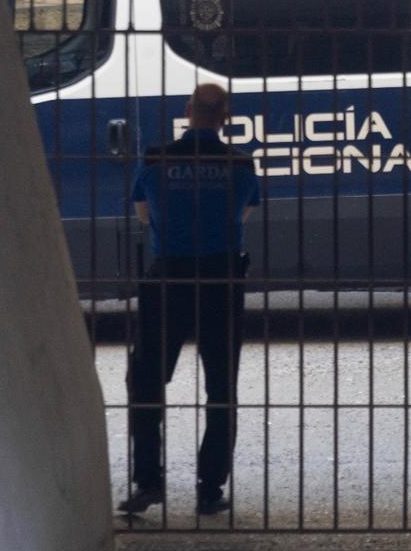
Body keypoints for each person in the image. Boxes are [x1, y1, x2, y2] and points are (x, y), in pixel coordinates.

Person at [118, 83, 260, 516]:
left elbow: (143, 214)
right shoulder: (238, 163)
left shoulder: (157, 159)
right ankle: (209, 489)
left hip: (169, 280)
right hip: (220, 278)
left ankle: (147, 482)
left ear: (188, 111)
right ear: (225, 116)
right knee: (221, 387)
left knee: (145, 381)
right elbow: (244, 214)